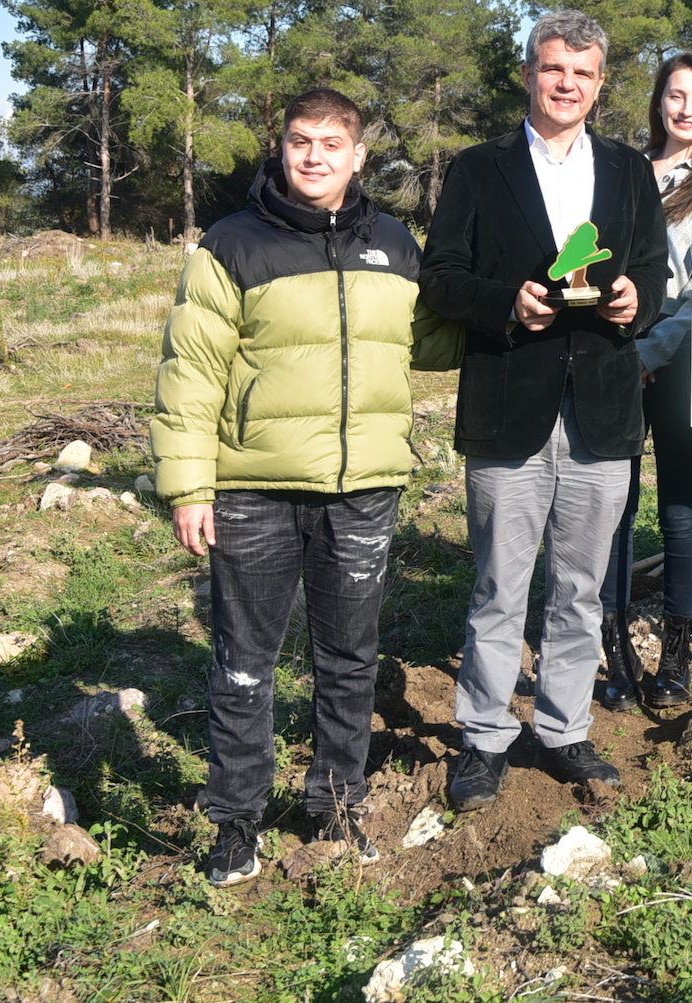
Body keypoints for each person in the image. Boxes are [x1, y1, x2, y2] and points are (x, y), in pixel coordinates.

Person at [154, 88, 459, 886]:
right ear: (280, 148)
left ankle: (334, 801)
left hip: (363, 485)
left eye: (332, 143)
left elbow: (429, 340)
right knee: (245, 661)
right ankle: (235, 819)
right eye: (300, 141)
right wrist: (190, 484)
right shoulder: (231, 244)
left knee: (350, 656)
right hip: (251, 487)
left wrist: (518, 304)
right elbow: (190, 374)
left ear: (359, 156)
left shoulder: (395, 243)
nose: (314, 156)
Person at [420, 10, 669, 811]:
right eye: (554, 68)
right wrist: (508, 302)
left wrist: (638, 297)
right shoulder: (476, 170)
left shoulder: (630, 171)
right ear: (528, 72)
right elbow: (442, 277)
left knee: (580, 584)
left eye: (584, 73)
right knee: (499, 583)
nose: (568, 84)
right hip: (509, 398)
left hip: (601, 403)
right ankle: (484, 735)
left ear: (601, 83)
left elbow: (657, 272)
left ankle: (564, 728)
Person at [598, 52, 692, 712]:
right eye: (675, 95)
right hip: (612, 358)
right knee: (614, 511)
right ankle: (615, 654)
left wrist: (650, 352)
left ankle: (677, 655)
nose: (685, 108)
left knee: (681, 513)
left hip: (686, 363)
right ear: (658, 101)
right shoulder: (618, 171)